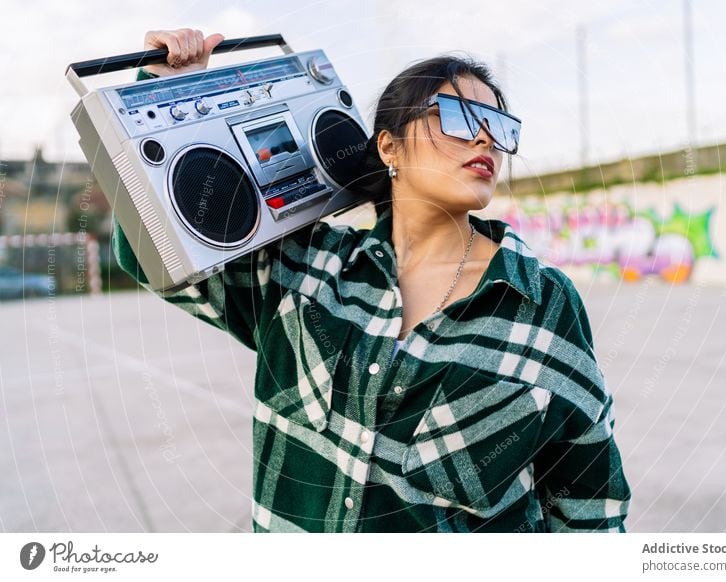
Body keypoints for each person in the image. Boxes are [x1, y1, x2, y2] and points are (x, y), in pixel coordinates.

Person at [113, 28, 632, 532]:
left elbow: (589, 504)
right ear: (390, 148)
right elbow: (152, 256)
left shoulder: (540, 303)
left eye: (500, 127)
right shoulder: (308, 270)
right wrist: (163, 94)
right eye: (456, 115)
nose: (484, 137)